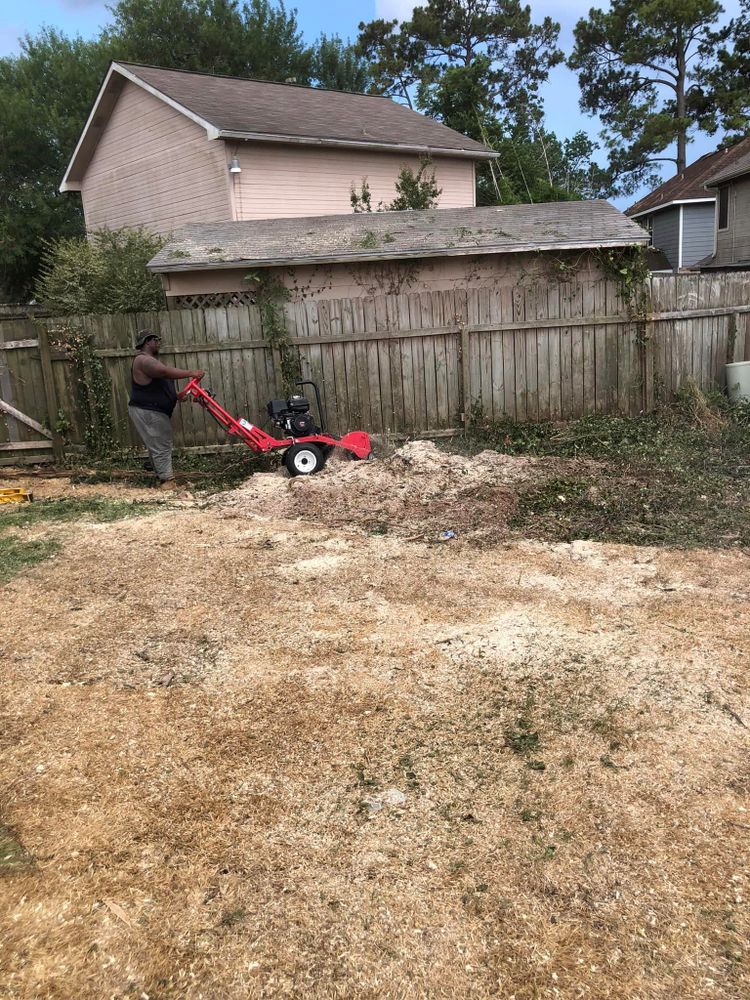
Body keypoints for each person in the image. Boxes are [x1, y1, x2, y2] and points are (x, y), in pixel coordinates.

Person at [128, 330, 204, 489]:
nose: (159, 343)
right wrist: (191, 373)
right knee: (161, 443)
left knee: (157, 443)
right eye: (156, 340)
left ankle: (161, 477)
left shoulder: (149, 361)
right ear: (148, 341)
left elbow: (156, 386)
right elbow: (163, 372)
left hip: (151, 409)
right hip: (149, 410)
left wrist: (175, 395)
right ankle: (167, 481)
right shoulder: (144, 360)